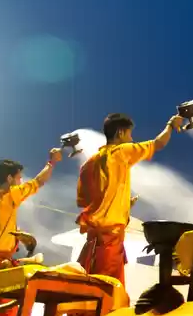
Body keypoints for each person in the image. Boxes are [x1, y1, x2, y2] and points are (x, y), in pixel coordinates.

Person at [77, 112, 182, 286]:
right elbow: (158, 143)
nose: (131, 139)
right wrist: (171, 125)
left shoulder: (88, 164)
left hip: (92, 241)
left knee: (87, 289)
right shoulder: (121, 152)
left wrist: (122, 204)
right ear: (120, 133)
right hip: (110, 240)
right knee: (107, 290)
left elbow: (86, 202)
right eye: (129, 134)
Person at [0, 153, 60, 316]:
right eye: (18, 177)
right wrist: (52, 162)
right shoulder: (11, 194)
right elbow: (39, 181)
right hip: (0, 266)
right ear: (9, 178)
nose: (20, 181)